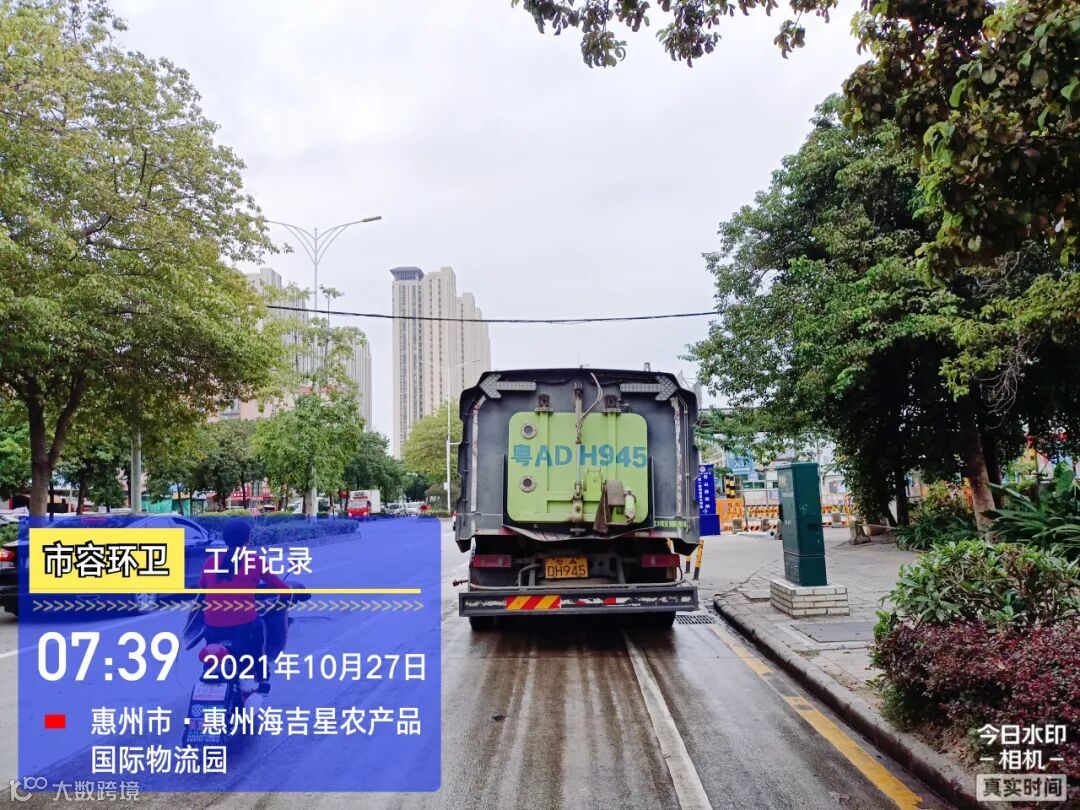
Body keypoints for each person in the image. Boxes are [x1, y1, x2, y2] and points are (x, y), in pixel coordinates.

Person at [198, 517, 290, 684]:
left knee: (211, 642)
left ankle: (210, 669)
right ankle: (262, 676)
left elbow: (203, 588)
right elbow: (283, 589)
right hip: (243, 627)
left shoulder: (211, 561)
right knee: (259, 630)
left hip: (212, 628)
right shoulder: (254, 561)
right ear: (248, 539)